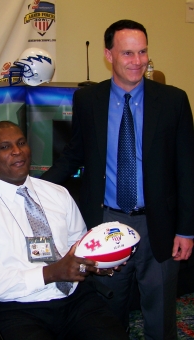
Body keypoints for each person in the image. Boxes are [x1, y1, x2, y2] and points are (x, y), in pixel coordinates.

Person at [41, 19, 194, 340]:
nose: (137, 61)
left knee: (160, 310)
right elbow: (74, 155)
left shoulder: (173, 101)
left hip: (159, 224)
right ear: (108, 55)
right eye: (127, 53)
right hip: (105, 223)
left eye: (142, 52)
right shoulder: (87, 100)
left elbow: (187, 168)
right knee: (108, 310)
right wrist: (36, 188)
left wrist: (186, 229)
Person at [0, 121, 128, 340]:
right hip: (17, 307)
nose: (17, 151)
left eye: (21, 143)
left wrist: (99, 262)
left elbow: (79, 246)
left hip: (75, 298)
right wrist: (50, 273)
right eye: (5, 147)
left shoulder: (58, 194)